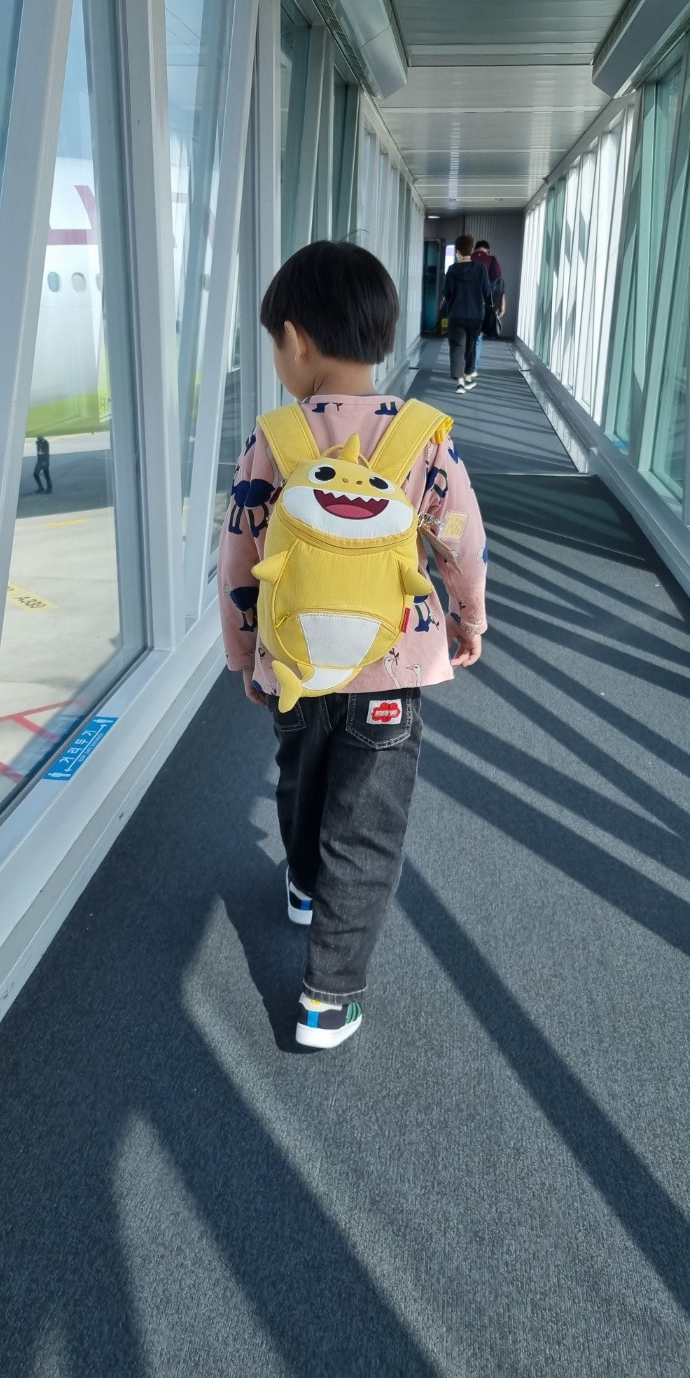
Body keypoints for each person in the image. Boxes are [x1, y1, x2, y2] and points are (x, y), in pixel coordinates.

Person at [217, 240, 488, 1050]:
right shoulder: (424, 435)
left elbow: (240, 558)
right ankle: (329, 999)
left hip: (297, 666)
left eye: (275, 344)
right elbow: (461, 541)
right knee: (367, 827)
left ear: (296, 340)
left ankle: (303, 883)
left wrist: (245, 655)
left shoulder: (274, 437)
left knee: (300, 779)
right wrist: (468, 619)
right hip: (390, 671)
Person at [440, 233, 491, 394]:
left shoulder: (452, 270)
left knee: (457, 347)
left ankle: (460, 383)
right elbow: (487, 291)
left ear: (458, 252)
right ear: (471, 250)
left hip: (456, 315)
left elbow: (446, 293)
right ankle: (468, 376)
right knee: (471, 347)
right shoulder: (480, 269)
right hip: (476, 316)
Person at [471, 240, 506, 374]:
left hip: (466, 303)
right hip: (484, 305)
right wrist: (502, 303)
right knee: (478, 337)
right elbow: (498, 284)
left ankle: (465, 366)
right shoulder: (492, 260)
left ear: (474, 249)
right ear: (488, 250)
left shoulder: (467, 259)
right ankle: (473, 369)